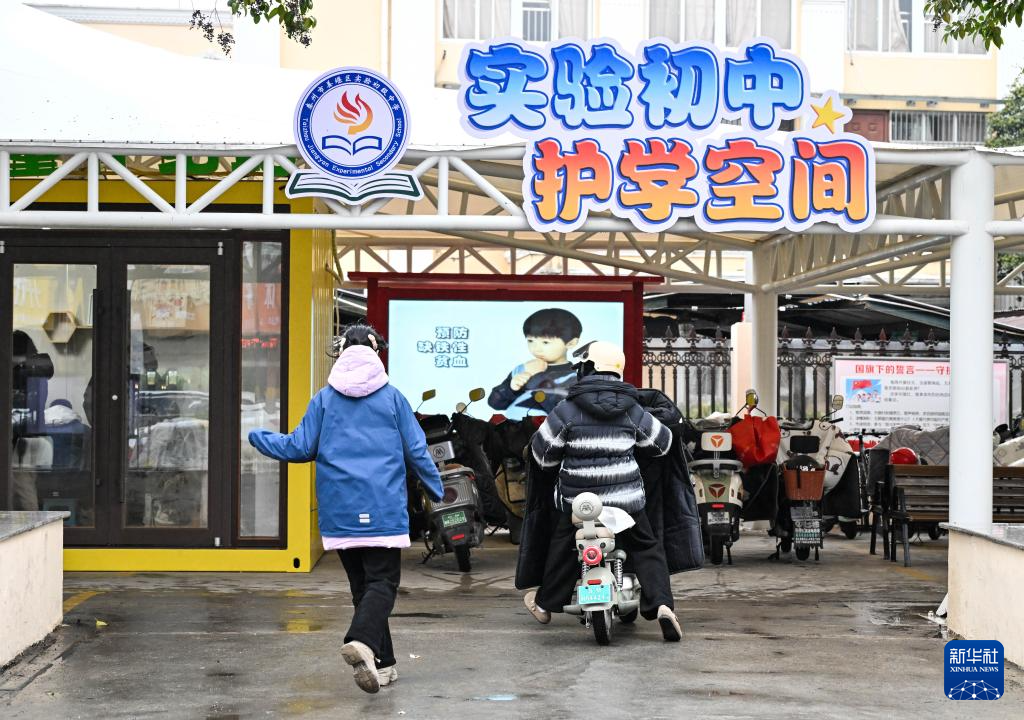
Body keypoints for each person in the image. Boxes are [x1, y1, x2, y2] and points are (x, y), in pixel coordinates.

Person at [248, 322, 443, 694]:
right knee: (382, 584)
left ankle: (383, 664)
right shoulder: (393, 398)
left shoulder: (324, 399)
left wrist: (259, 436)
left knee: (363, 589)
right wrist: (436, 489)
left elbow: (299, 447)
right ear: (375, 352)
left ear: (340, 353)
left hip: (339, 511)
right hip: (383, 508)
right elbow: (416, 450)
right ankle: (361, 640)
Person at [523, 340, 683, 641]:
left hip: (578, 502)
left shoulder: (566, 409)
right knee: (647, 547)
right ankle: (662, 605)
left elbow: (543, 456)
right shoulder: (632, 409)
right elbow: (662, 444)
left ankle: (545, 604)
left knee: (563, 545)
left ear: (588, 369)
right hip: (626, 502)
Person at [488, 308, 581, 417]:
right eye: (530, 340)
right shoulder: (522, 369)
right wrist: (511, 387)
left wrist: (537, 380)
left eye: (545, 342)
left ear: (571, 343)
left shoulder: (575, 377)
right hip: (510, 426)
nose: (536, 348)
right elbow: (495, 404)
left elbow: (567, 414)